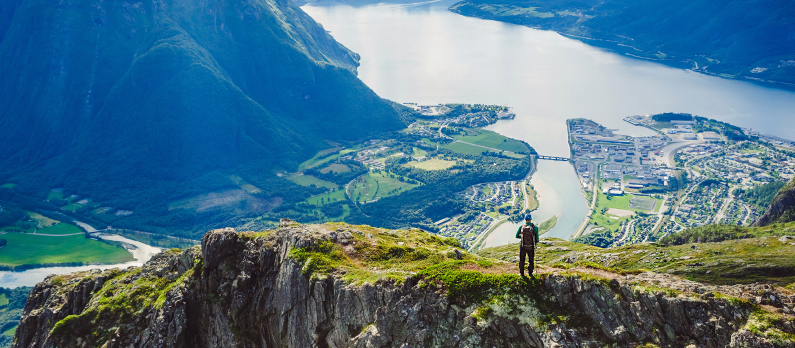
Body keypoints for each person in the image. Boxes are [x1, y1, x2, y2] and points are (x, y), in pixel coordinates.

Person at [515, 214, 538, 278]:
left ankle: (522, 273)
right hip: (531, 247)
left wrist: (522, 237)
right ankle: (530, 273)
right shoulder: (535, 227)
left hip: (523, 246)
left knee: (522, 260)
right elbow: (537, 239)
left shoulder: (521, 227)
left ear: (525, 219)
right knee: (531, 260)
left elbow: (516, 236)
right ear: (531, 219)